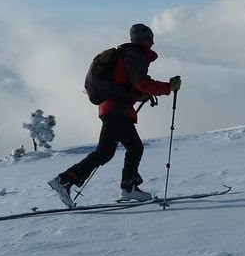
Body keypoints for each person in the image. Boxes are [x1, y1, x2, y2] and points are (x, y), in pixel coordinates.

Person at [48, 23, 181, 207]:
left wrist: (143, 94)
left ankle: (128, 188)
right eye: (150, 40)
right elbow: (141, 83)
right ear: (145, 39)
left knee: (129, 148)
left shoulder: (128, 55)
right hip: (116, 111)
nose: (151, 44)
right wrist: (167, 87)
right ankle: (65, 180)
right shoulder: (134, 55)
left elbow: (130, 85)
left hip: (115, 109)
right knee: (108, 152)